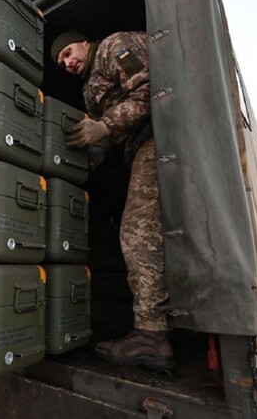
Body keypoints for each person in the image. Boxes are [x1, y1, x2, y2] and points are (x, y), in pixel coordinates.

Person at [52, 30, 174, 369]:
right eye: (62, 61)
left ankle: (152, 336)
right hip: (136, 148)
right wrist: (88, 156)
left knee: (136, 232)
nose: (67, 62)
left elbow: (153, 90)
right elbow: (107, 137)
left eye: (69, 52)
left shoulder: (112, 47)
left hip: (160, 136)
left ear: (84, 43)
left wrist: (103, 126)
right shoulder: (89, 91)